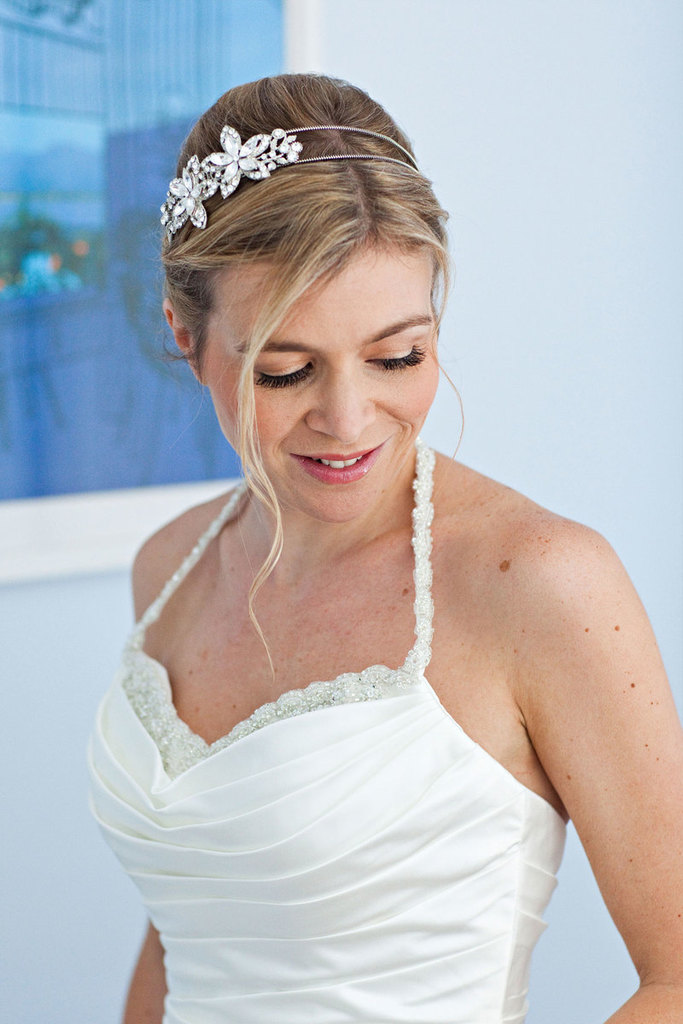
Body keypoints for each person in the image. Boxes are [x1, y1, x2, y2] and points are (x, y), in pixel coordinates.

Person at [88, 73, 683, 1024]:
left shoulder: (536, 582)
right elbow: (186, 926)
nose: (348, 418)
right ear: (185, 338)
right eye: (285, 370)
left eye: (396, 357)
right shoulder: (168, 566)